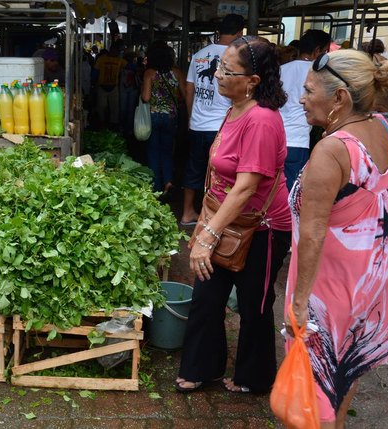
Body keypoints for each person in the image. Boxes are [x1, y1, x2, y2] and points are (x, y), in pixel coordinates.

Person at [284, 49, 388, 428]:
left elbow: (316, 231)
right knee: (342, 380)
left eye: (308, 91)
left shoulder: (333, 149)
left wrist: (300, 304)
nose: (300, 99)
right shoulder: (382, 128)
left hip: (330, 289)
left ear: (339, 98)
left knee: (307, 398)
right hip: (373, 282)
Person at [175, 36, 292, 394]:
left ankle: (254, 377)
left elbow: (245, 188)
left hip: (262, 228)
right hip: (227, 219)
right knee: (207, 296)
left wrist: (207, 235)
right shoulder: (234, 108)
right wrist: (209, 225)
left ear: (252, 81)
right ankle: (202, 367)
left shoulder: (260, 120)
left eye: (227, 70)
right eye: (219, 67)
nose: (218, 75)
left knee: (254, 305)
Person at [179, 14, 244, 226]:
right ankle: (215, 217)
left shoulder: (198, 55)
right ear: (239, 33)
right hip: (221, 127)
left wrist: (191, 118)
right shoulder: (234, 57)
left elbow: (189, 89)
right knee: (221, 173)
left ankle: (187, 212)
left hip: (198, 124)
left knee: (194, 168)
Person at [279, 29, 331, 190]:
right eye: (325, 51)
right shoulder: (317, 73)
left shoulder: (281, 69)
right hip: (297, 139)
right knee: (293, 189)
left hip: (276, 137)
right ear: (317, 51)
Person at [141, 41, 186, 194]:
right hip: (171, 116)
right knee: (167, 151)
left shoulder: (149, 73)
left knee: (153, 151)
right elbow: (185, 95)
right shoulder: (177, 72)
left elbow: (146, 97)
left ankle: (156, 187)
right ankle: (168, 182)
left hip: (153, 115)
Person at [93, 40, 126, 129]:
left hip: (114, 86)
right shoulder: (101, 59)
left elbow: (128, 66)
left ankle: (113, 125)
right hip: (102, 86)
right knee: (101, 107)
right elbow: (95, 72)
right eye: (116, 51)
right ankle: (102, 123)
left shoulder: (120, 60)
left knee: (114, 107)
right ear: (111, 50)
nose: (116, 53)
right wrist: (93, 83)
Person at [119, 49, 140, 137]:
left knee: (129, 109)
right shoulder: (122, 64)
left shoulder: (134, 66)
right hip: (125, 88)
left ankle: (128, 128)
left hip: (132, 88)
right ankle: (124, 127)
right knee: (124, 109)